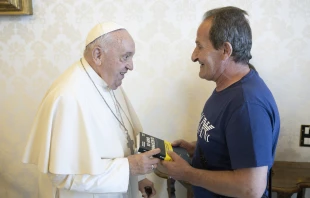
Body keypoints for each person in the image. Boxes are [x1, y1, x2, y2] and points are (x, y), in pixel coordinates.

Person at [22, 22, 160, 198]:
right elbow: (63, 176)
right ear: (97, 55)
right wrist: (130, 168)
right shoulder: (67, 97)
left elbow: (124, 139)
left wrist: (138, 177)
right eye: (125, 57)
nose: (131, 66)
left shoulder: (107, 81)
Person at [161, 6, 280, 198]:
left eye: (200, 46)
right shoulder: (227, 89)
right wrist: (198, 148)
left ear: (225, 50)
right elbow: (232, 146)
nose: (194, 56)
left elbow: (251, 188)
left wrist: (187, 174)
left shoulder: (247, 105)